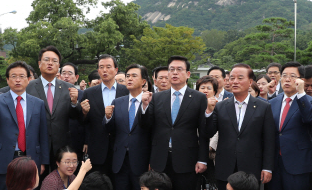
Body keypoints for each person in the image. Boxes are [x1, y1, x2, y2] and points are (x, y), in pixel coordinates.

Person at [140, 55, 209, 190]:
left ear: (188, 74)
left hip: (187, 159)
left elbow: (204, 131)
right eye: (171, 69)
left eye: (179, 69)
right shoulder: (157, 97)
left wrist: (202, 159)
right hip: (160, 159)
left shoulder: (198, 98)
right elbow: (146, 126)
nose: (175, 73)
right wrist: (144, 107)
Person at [205, 63, 276, 190]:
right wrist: (209, 112)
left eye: (240, 78)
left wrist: (267, 167)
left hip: (251, 167)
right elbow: (208, 132)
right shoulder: (221, 106)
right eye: (232, 78)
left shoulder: (263, 107)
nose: (235, 82)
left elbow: (269, 140)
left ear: (250, 82)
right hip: (225, 166)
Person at [0, 61, 50, 190]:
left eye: (22, 76)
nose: (17, 80)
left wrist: (43, 161)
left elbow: (43, 134)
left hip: (30, 157)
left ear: (29, 79)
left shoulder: (38, 103)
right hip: (4, 157)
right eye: (13, 76)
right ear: (7, 80)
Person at [26, 46, 83, 173]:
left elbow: (75, 117)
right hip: (37, 145)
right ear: (39, 64)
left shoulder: (68, 87)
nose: (50, 63)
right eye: (46, 60)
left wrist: (75, 103)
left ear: (59, 66)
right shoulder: (28, 87)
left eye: (54, 60)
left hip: (61, 145)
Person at [76, 54, 129, 176]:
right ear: (98, 70)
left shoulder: (125, 91)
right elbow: (83, 122)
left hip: (120, 147)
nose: (104, 70)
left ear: (116, 70)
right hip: (97, 149)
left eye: (108, 66)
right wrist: (83, 112)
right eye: (101, 67)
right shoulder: (89, 92)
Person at [267, 62, 312, 190]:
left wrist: (301, 93)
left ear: (302, 80)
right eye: (284, 75)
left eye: (293, 76)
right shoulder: (273, 102)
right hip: (274, 163)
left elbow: (309, 119)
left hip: (298, 164)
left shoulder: (310, 101)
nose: (287, 79)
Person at [103, 64, 152, 190]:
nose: (129, 79)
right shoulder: (118, 102)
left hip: (142, 160)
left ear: (143, 81)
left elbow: (153, 130)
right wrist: (107, 118)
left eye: (134, 76)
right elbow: (111, 130)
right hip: (120, 160)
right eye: (127, 76)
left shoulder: (152, 101)